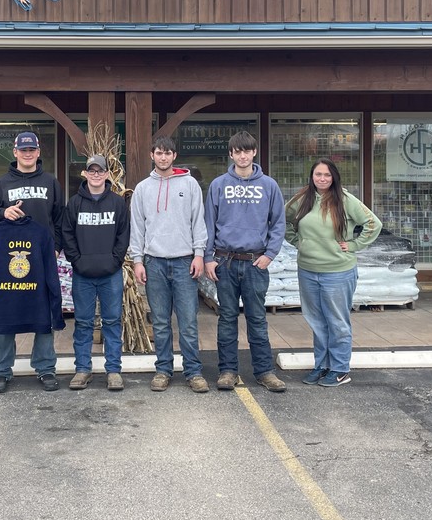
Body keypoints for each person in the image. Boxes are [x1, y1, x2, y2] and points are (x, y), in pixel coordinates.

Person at [0, 131, 66, 392]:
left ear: (38, 152)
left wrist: (56, 248)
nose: (27, 154)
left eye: (32, 150)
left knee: (43, 311)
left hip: (41, 257)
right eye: (23, 150)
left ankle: (45, 368)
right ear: (15, 152)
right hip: (8, 261)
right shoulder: (2, 183)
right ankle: (1, 370)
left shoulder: (51, 182)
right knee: (6, 312)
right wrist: (2, 212)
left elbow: (60, 219)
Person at [286, 158, 381, 387]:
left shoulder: (345, 200)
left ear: (334, 177)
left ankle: (339, 369)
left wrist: (355, 245)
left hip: (337, 271)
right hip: (308, 269)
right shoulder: (301, 199)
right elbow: (285, 222)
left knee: (337, 322)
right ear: (312, 176)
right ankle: (322, 365)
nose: (322, 179)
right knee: (316, 320)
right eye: (318, 174)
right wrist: (300, 242)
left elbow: (373, 224)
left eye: (327, 175)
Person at [204, 131, 287, 392]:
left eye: (246, 151)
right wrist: (208, 258)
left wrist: (269, 255)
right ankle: (227, 371)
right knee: (227, 318)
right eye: (237, 151)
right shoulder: (218, 185)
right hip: (225, 262)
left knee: (257, 318)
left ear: (253, 153)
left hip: (254, 264)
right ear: (231, 154)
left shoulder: (269, 186)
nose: (242, 155)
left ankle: (264, 371)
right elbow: (208, 224)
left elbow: (278, 223)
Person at [129, 136, 210, 393]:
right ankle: (163, 370)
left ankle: (193, 371)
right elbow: (137, 228)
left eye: (168, 153)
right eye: (159, 153)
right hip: (154, 262)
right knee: (161, 322)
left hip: (185, 261)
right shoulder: (142, 188)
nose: (163, 157)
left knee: (188, 321)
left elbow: (199, 221)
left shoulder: (190, 184)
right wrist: (137, 260)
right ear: (152, 155)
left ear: (174, 156)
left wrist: (199, 254)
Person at [0, 215, 64, 393]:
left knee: (44, 325)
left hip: (36, 292)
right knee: (4, 326)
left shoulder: (41, 233)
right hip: (4, 292)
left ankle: (46, 369)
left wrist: (54, 297)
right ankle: (0, 371)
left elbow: (50, 267)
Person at [62, 155, 130, 392]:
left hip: (110, 274)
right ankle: (82, 369)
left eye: (100, 171)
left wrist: (115, 260)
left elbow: (124, 234)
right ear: (85, 174)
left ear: (107, 174)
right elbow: (66, 234)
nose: (96, 175)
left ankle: (113, 371)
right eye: (92, 171)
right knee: (83, 323)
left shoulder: (117, 203)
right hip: (83, 274)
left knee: (112, 322)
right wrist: (76, 260)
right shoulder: (74, 203)